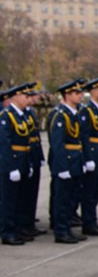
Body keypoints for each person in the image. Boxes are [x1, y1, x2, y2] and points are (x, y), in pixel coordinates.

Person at [49, 79, 89, 244]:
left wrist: (84, 160)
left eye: (80, 93)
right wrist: (62, 167)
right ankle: (61, 231)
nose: (80, 96)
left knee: (72, 197)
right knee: (62, 199)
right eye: (76, 93)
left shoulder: (75, 114)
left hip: (76, 161)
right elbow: (57, 145)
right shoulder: (60, 115)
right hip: (65, 163)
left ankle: (68, 229)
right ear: (67, 95)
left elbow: (81, 140)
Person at [0, 84, 32, 245]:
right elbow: (5, 144)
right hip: (11, 163)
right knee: (9, 200)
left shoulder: (22, 116)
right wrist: (11, 167)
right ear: (15, 97)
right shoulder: (6, 116)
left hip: (23, 160)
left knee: (21, 199)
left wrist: (29, 163)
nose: (28, 99)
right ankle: (7, 232)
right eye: (25, 96)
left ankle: (18, 229)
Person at [79, 76, 98, 236]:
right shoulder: (86, 111)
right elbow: (84, 137)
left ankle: (92, 221)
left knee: (96, 191)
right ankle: (88, 223)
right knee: (89, 192)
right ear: (93, 91)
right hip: (92, 154)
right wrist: (88, 158)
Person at [19, 83, 47, 239]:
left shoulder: (28, 113)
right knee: (18, 196)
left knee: (30, 193)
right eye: (27, 96)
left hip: (30, 156)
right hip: (17, 158)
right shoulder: (9, 115)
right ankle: (18, 225)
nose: (31, 99)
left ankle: (27, 222)